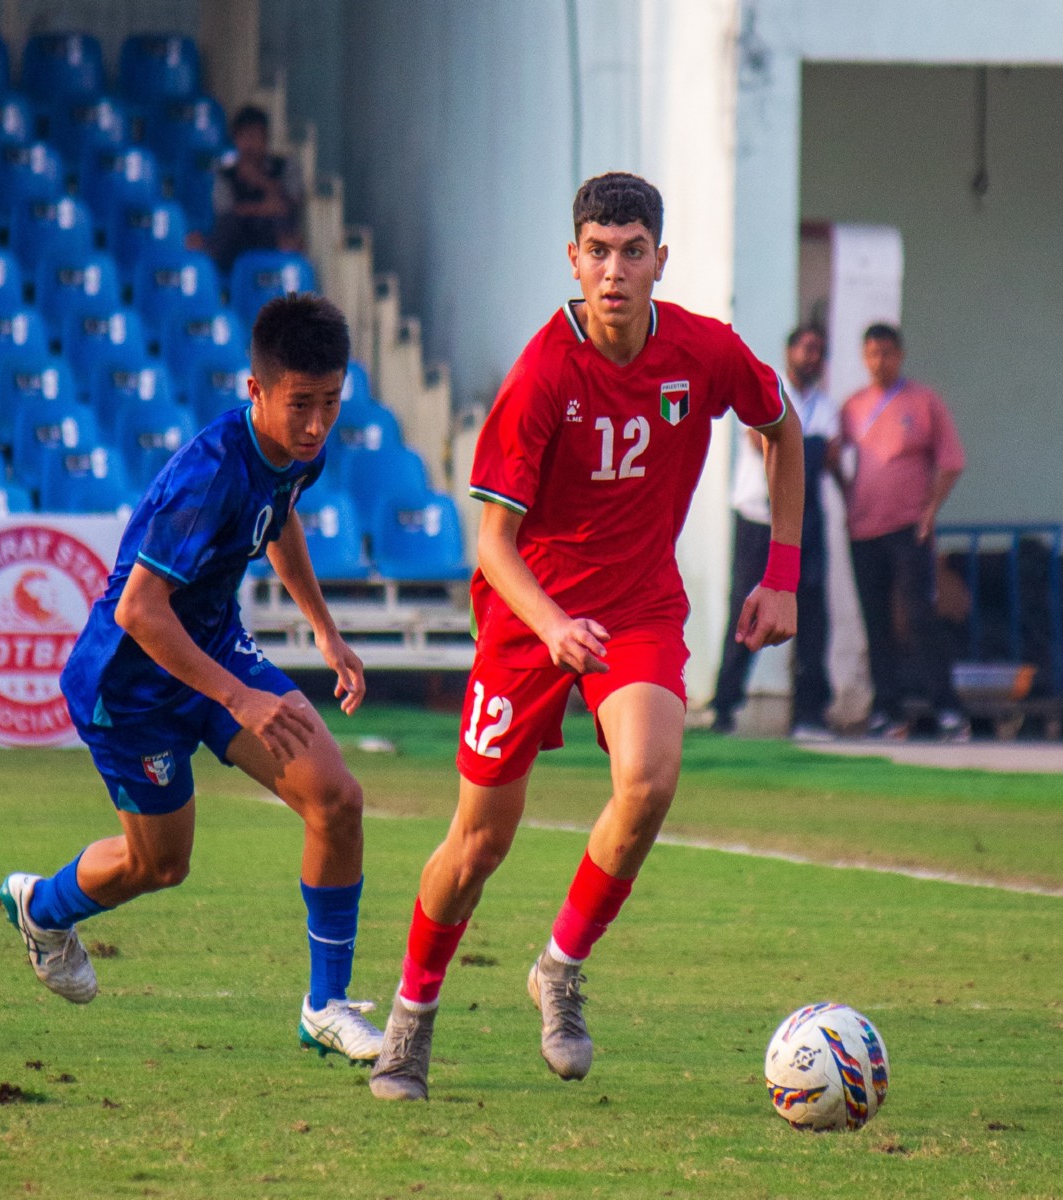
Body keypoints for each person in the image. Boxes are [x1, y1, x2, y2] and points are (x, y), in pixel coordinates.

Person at [367, 172, 805, 1101]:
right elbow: (491, 542)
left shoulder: (704, 352)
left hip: (638, 606)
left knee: (649, 781)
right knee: (479, 842)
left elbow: (782, 429)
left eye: (631, 251)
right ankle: (411, 1015)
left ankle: (559, 968)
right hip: (532, 619)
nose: (614, 270)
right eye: (597, 252)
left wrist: (783, 574)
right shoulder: (541, 375)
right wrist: (553, 622)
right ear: (574, 259)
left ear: (659, 260)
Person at [0, 294, 385, 1064]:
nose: (316, 425)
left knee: (336, 799)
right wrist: (238, 695)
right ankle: (42, 906)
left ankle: (326, 1004)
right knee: (160, 865)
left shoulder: (300, 453)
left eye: (331, 404)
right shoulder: (208, 476)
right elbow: (141, 611)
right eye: (300, 405)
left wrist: (325, 630)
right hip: (129, 686)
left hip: (211, 649)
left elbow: (280, 519)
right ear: (256, 390)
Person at [834, 323, 969, 741]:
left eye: (887, 353)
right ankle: (887, 710)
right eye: (872, 354)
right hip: (863, 529)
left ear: (901, 355)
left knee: (917, 617)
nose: (880, 361)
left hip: (909, 527)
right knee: (875, 621)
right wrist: (847, 496)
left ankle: (947, 709)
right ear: (863, 357)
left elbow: (951, 461)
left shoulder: (923, 401)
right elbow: (835, 456)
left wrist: (930, 510)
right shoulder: (853, 406)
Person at [708, 324, 835, 740]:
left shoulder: (825, 407)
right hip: (757, 520)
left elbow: (829, 456)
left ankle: (808, 713)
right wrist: (792, 441)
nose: (812, 357)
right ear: (789, 351)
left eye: (819, 350)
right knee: (743, 609)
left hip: (800, 522)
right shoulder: (771, 389)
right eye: (806, 348)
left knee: (811, 615)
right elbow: (760, 438)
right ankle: (725, 705)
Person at [207, 104, 305, 273]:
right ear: (235, 140)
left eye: (255, 136)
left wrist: (261, 181)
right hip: (238, 246)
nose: (249, 144)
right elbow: (227, 212)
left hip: (275, 242)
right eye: (243, 137)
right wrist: (265, 208)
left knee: (285, 231)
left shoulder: (285, 167)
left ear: (266, 139)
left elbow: (288, 206)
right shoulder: (225, 174)